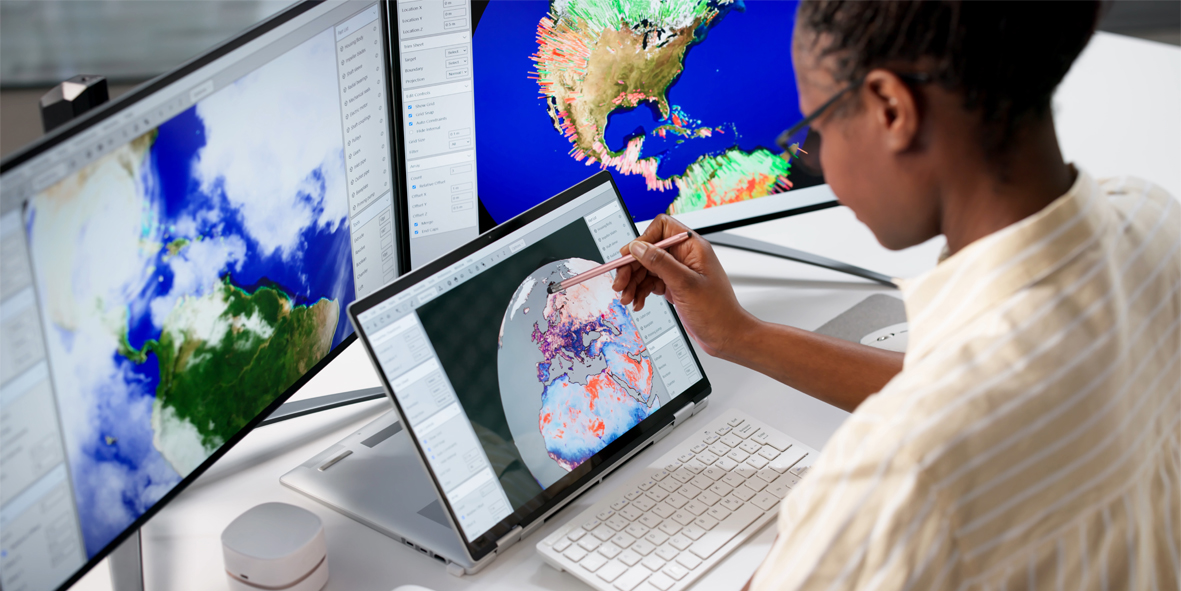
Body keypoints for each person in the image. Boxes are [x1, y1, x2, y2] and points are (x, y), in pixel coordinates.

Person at [612, 1, 1180, 589]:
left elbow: (935, 425)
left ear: (892, 110)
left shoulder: (897, 484)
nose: (823, 163)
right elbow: (969, 385)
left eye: (821, 128)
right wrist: (738, 336)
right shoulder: (1151, 219)